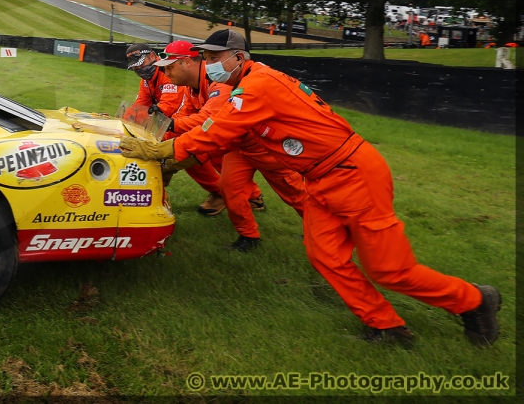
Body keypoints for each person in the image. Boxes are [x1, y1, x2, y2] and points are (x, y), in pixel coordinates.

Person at [118, 29, 501, 347]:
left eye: (214, 56)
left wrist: (162, 149)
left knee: (389, 269)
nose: (210, 63)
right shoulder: (249, 83)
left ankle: (475, 300)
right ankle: (387, 326)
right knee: (325, 256)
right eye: (206, 56)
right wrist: (166, 147)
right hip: (322, 176)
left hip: (352, 174)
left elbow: (215, 133)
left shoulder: (257, 86)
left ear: (237, 57)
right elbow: (209, 129)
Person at [156, 38, 302, 252]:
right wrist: (168, 135)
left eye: (170, 67)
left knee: (294, 192)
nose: (166, 74)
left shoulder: (223, 82)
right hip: (237, 144)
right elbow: (188, 120)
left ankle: (321, 229)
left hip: (266, 145)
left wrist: (170, 136)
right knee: (229, 188)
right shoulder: (191, 88)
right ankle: (249, 237)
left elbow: (208, 122)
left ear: (187, 62)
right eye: (207, 57)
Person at [121, 43, 224, 216]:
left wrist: (160, 134)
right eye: (135, 66)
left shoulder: (170, 72)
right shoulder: (148, 81)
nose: (139, 68)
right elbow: (139, 107)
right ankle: (240, 194)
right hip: (189, 121)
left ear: (153, 56)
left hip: (201, 121)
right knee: (190, 156)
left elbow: (169, 106)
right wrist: (121, 124)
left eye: (141, 62)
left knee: (196, 155)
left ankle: (228, 193)